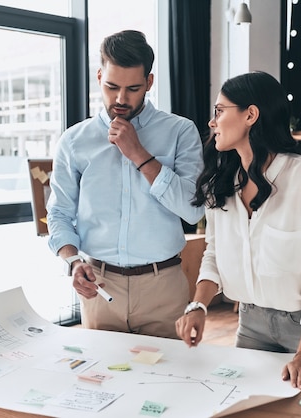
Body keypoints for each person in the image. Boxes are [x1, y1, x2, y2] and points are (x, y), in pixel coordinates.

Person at [175, 71, 301, 390]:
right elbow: (214, 254)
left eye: (220, 111)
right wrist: (198, 305)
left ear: (250, 115)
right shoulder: (220, 183)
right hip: (251, 324)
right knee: (244, 407)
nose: (212, 122)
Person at [46, 30, 204, 339]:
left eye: (133, 88)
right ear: (99, 76)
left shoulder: (180, 132)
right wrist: (73, 261)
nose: (120, 99)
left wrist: (139, 154)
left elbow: (192, 210)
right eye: (111, 86)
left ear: (149, 82)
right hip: (100, 287)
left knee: (166, 383)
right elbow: (60, 215)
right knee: (102, 382)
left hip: (163, 286)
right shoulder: (74, 141)